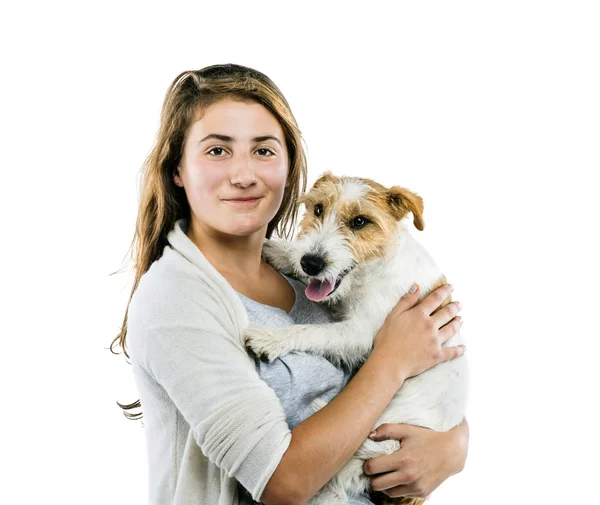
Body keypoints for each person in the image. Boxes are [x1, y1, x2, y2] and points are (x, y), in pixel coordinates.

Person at [110, 63, 469, 505]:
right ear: (177, 169)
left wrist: (453, 446)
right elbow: (283, 484)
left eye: (263, 151)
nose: (244, 174)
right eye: (217, 151)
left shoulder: (315, 276)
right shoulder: (176, 302)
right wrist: (392, 361)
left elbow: (424, 378)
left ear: (288, 165)